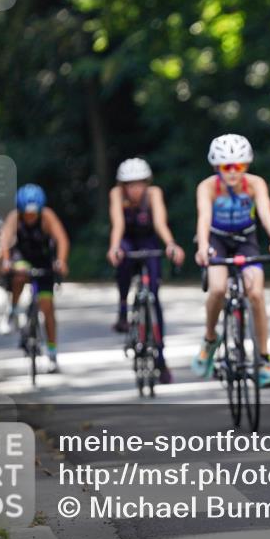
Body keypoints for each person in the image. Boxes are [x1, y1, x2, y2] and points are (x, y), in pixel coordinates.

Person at [193, 134, 270, 388]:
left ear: (246, 166)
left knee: (256, 294)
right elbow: (204, 218)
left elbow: (266, 214)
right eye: (227, 166)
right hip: (217, 239)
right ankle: (210, 338)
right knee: (217, 289)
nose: (233, 172)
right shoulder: (207, 187)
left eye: (239, 165)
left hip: (246, 239)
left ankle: (264, 361)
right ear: (217, 167)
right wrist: (203, 247)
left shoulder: (255, 184)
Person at [107, 157, 185, 385]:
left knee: (154, 295)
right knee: (122, 258)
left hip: (148, 241)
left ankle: (160, 357)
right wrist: (114, 247)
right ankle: (123, 307)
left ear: (146, 182)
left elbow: (160, 223)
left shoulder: (154, 194)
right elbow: (118, 225)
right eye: (130, 184)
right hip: (127, 240)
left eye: (139, 183)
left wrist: (170, 244)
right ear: (123, 185)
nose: (135, 189)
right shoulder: (116, 195)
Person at [0, 184, 70, 374]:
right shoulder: (14, 217)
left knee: (47, 307)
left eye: (33, 213)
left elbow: (62, 239)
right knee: (19, 274)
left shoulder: (47, 216)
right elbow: (5, 239)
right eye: (27, 213)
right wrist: (6, 260)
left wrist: (61, 261)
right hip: (22, 258)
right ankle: (12, 310)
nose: (30, 217)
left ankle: (52, 354)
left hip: (44, 261)